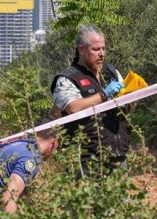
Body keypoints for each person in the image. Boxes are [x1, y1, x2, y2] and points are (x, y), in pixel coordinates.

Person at [50, 25, 130, 178]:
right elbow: (73, 107)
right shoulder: (67, 79)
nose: (101, 54)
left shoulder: (110, 71)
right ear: (81, 49)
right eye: (96, 49)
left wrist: (129, 100)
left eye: (103, 49)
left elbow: (124, 107)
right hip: (86, 161)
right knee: (88, 203)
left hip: (118, 156)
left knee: (121, 202)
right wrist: (104, 95)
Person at [0, 122, 59, 214]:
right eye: (56, 149)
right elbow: (9, 196)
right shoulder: (32, 157)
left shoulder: (17, 144)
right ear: (53, 143)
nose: (54, 153)